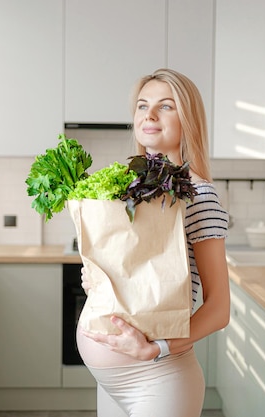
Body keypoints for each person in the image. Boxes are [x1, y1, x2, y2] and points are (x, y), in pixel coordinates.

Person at [77, 68, 230, 417]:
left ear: (187, 119)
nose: (149, 114)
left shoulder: (199, 195)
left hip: (157, 380)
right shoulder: (130, 191)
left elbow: (219, 309)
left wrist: (157, 349)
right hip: (112, 381)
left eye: (166, 106)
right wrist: (101, 282)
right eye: (143, 105)